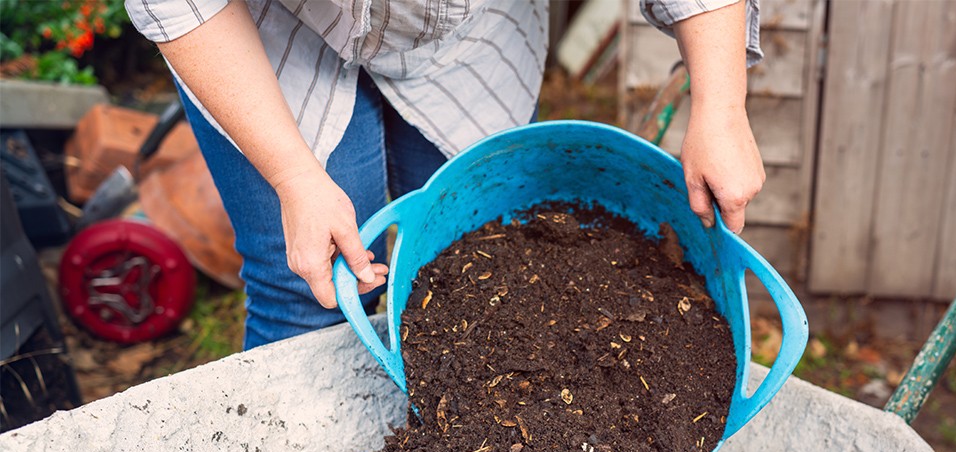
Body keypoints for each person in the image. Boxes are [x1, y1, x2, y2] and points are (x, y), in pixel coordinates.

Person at [125, 0, 767, 349]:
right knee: (309, 290)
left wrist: (720, 102)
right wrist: (295, 177)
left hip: (467, 30)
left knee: (484, 267)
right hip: (274, 29)